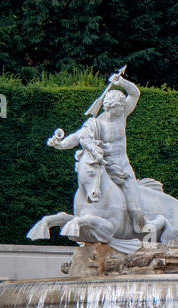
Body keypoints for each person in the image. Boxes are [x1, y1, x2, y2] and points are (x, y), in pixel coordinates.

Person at [47, 70, 150, 236]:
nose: (121, 109)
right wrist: (60, 144)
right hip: (102, 167)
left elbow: (135, 93)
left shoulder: (121, 115)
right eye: (118, 108)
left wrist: (121, 82)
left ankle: (142, 232)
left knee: (135, 207)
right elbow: (77, 136)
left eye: (122, 107)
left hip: (122, 167)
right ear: (109, 107)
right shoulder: (97, 123)